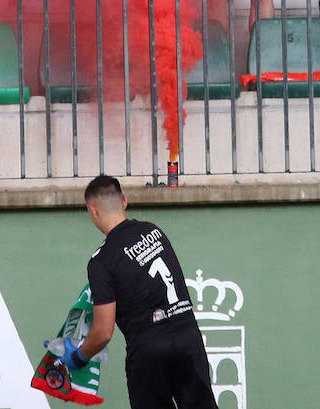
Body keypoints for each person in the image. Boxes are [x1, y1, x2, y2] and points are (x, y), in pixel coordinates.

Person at [56, 175, 217, 409]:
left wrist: (78, 356)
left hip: (148, 351)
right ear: (124, 201)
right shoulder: (153, 231)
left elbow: (102, 332)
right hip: (187, 339)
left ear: (92, 211)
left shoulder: (101, 261)